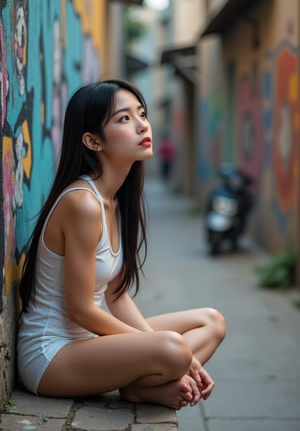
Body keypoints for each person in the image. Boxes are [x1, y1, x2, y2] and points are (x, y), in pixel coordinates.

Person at [18, 79, 226, 410]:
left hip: (91, 345)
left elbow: (115, 294)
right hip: (50, 356)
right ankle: (149, 384)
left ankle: (143, 387)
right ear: (92, 141)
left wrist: (161, 348)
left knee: (211, 322)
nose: (144, 124)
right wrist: (164, 350)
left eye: (142, 114)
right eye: (124, 119)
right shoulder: (82, 203)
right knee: (174, 349)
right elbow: (81, 309)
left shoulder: (112, 200)